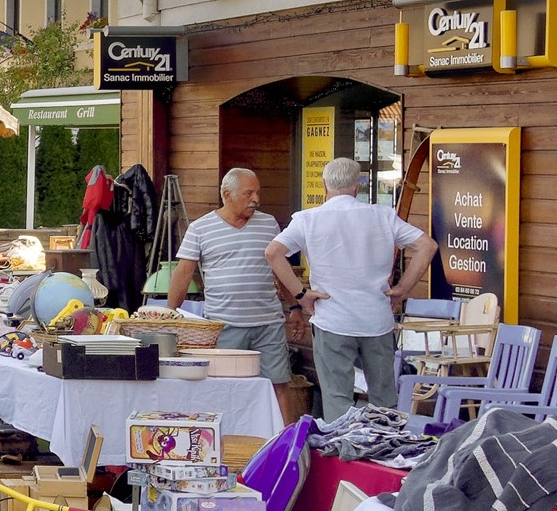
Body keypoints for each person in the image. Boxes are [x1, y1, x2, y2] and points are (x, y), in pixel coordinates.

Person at [269, 158, 438, 420]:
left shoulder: (307, 219)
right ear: (357, 186)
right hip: (376, 320)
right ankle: (384, 451)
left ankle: (344, 454)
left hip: (332, 319)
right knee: (384, 398)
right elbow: (427, 246)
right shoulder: (382, 216)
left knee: (338, 400)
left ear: (325, 185)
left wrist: (302, 294)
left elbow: (273, 253)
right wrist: (403, 288)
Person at [171, 168, 295, 392]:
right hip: (223, 325)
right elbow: (183, 273)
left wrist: (295, 307)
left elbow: (281, 270)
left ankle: (283, 429)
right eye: (248, 193)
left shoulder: (269, 224)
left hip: (268, 323)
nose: (255, 199)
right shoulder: (200, 228)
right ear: (227, 195)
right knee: (222, 387)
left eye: (257, 193)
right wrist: (170, 313)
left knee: (278, 384)